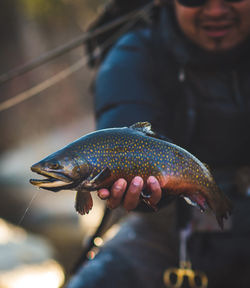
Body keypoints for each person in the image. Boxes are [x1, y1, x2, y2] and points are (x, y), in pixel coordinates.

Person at [66, 0, 250, 287]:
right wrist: (145, 193)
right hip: (164, 229)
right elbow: (123, 125)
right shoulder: (132, 55)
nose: (215, 9)